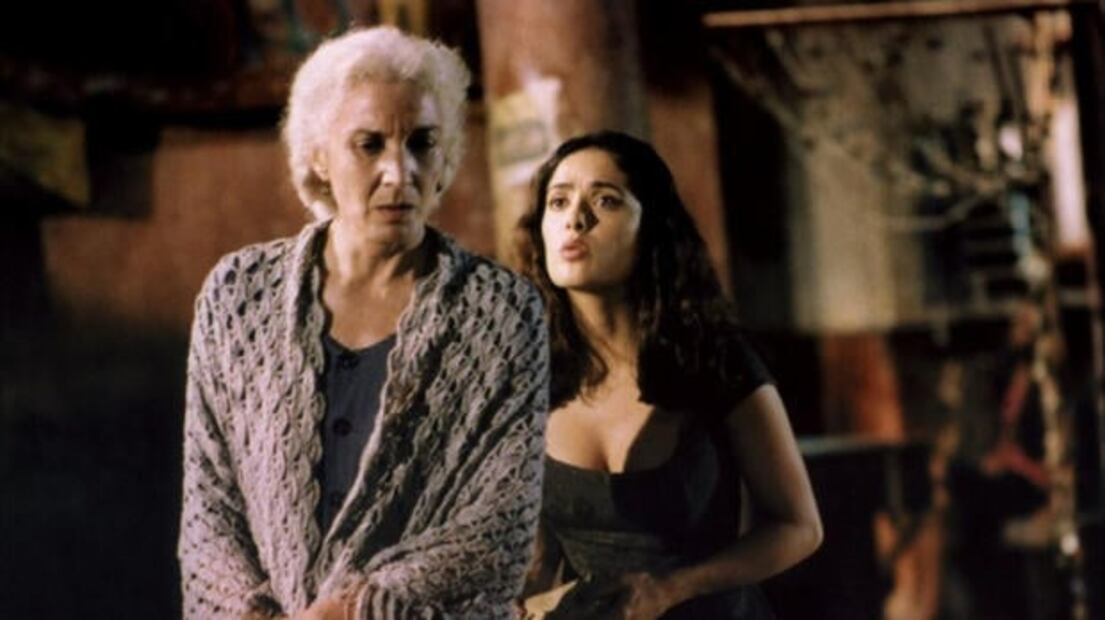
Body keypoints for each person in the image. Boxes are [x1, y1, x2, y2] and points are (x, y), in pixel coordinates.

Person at [178, 26, 549, 619]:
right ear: (318, 156)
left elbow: (499, 527)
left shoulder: (503, 312)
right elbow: (209, 510)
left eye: (422, 143)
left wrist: (349, 610)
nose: (399, 172)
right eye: (369, 145)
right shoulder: (237, 296)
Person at [517, 131, 822, 619]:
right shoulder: (527, 377)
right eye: (558, 202)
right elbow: (539, 558)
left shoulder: (714, 360)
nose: (575, 219)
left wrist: (671, 588)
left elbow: (798, 527)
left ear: (651, 226)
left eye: (605, 200)